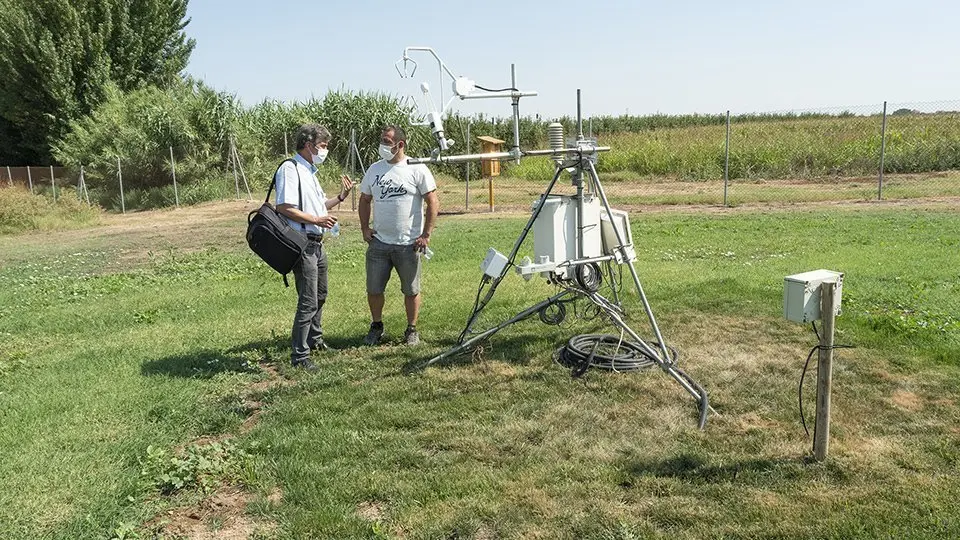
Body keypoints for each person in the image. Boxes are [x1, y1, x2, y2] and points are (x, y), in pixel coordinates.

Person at [275, 124, 353, 370]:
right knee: (308, 300)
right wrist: (318, 220)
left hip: (317, 245)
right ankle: (300, 356)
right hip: (302, 244)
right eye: (322, 146)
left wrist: (340, 197)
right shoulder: (291, 169)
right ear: (308, 146)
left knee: (320, 294)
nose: (325, 150)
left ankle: (315, 339)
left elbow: (319, 206)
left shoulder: (310, 172)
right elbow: (285, 208)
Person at [358, 125, 439, 346]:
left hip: (408, 244)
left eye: (387, 141)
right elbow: (365, 200)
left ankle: (411, 329)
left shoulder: (416, 168)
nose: (382, 145)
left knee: (411, 290)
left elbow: (432, 201)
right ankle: (376, 326)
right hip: (379, 244)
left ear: (400, 145)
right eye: (382, 141)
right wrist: (365, 228)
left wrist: (426, 234)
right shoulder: (374, 169)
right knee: (374, 289)